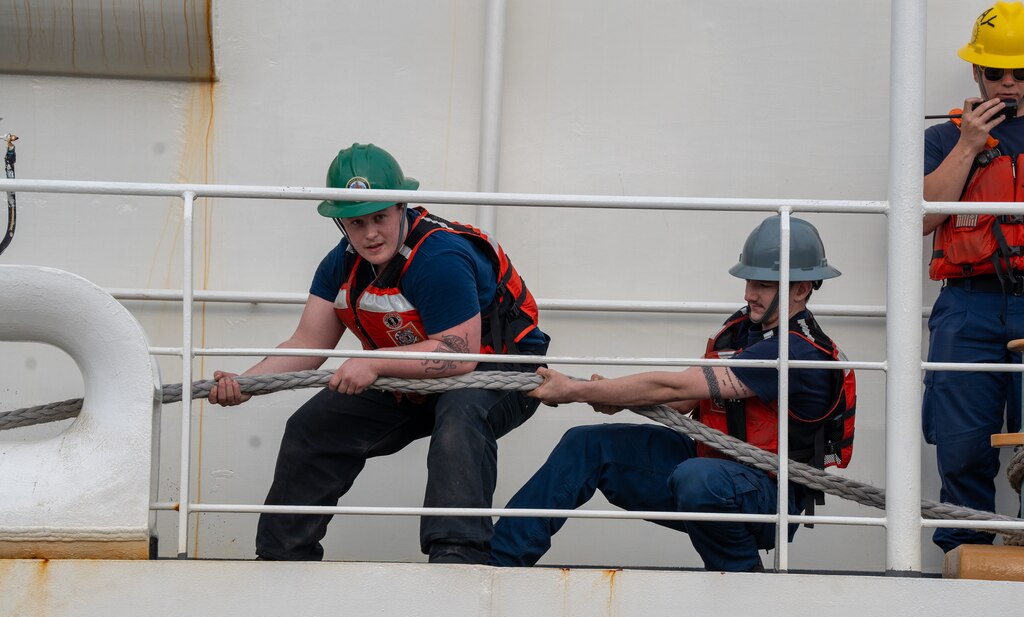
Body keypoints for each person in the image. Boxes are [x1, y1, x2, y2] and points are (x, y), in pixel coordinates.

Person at [209, 143, 550, 564]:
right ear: (341, 224)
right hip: (412, 374)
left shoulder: (440, 257)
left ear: (402, 206)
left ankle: (457, 559)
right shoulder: (340, 265)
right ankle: (281, 560)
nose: (370, 233)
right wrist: (248, 384)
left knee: (461, 417)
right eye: (356, 222)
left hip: (499, 374)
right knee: (312, 427)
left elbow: (458, 356)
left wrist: (372, 362)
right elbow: (306, 344)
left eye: (380, 217)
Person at [489, 216, 855, 572]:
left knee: (699, 479)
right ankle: (498, 564)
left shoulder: (799, 351)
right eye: (748, 282)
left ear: (801, 289)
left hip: (767, 496)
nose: (748, 294)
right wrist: (612, 396)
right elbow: (683, 401)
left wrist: (578, 390)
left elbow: (675, 386)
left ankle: (742, 578)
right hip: (708, 467)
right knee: (585, 444)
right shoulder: (742, 330)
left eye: (762, 284)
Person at [922, 2, 1024, 553]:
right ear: (977, 72)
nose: (1009, 83)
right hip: (966, 308)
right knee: (961, 444)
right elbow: (921, 218)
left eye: (1021, 72)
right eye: (997, 72)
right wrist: (970, 144)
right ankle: (961, 556)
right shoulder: (942, 140)